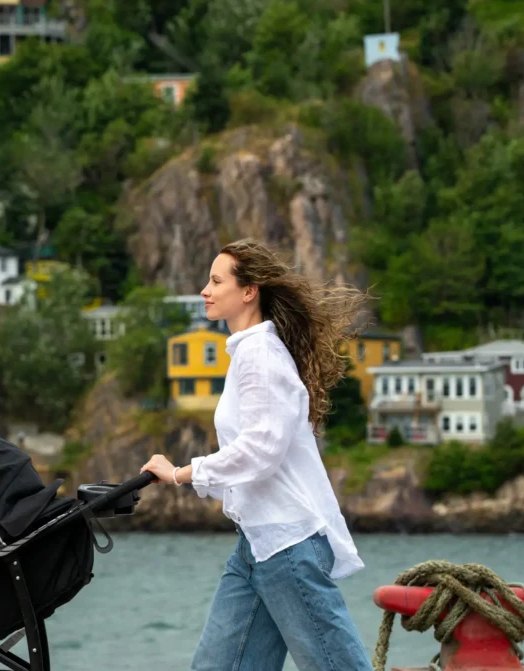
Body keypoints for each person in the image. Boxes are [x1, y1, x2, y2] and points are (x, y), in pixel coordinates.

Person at [141, 239, 373, 671]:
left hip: (287, 545)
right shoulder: (248, 354)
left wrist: (181, 474)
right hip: (258, 545)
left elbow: (260, 451)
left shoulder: (260, 356)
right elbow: (254, 457)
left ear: (249, 291)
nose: (204, 291)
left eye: (216, 280)